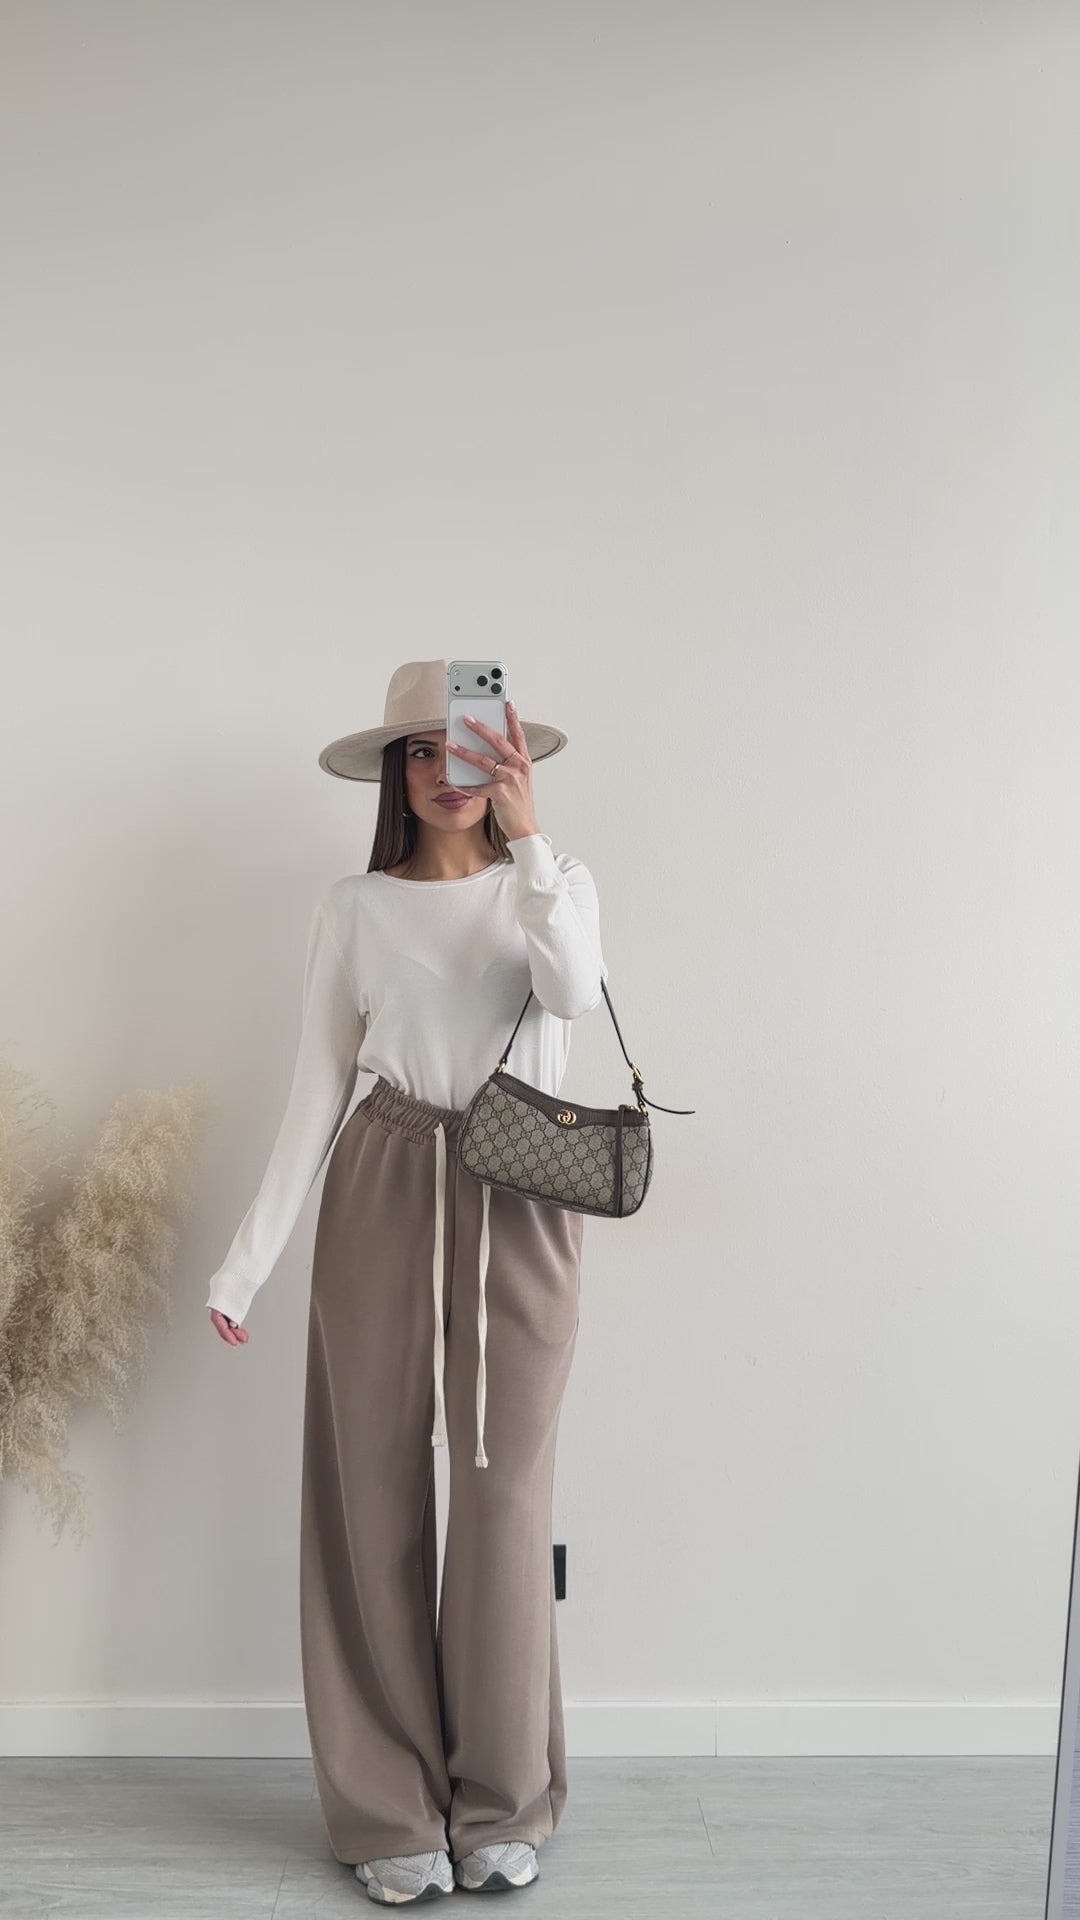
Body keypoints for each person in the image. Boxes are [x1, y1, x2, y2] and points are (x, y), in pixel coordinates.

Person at [205, 659, 607, 1904]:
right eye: (420, 753)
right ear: (394, 775)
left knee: (502, 1500)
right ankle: (389, 1809)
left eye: (469, 747)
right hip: (381, 1186)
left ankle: (502, 1800)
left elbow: (570, 993)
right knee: (368, 1499)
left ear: (507, 759)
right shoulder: (354, 906)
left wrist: (529, 845)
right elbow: (316, 1090)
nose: (446, 773)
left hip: (520, 1194)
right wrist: (245, 1263)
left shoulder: (558, 881)